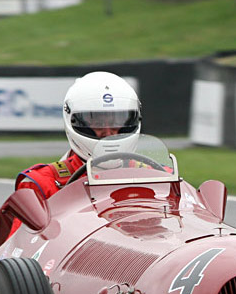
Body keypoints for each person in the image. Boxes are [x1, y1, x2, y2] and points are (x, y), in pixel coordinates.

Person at [14, 71, 141, 199]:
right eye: (97, 122)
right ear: (73, 120)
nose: (108, 132)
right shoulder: (42, 183)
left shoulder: (155, 176)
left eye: (116, 122)